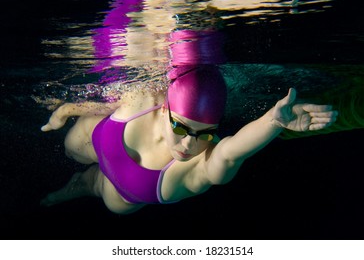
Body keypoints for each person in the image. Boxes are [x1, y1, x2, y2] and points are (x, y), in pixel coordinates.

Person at [40, 65, 338, 214]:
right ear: (166, 108)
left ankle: (80, 185)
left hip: (121, 192)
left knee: (97, 187)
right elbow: (106, 102)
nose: (188, 146)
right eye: (181, 128)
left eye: (204, 134)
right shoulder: (146, 95)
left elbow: (230, 153)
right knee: (72, 148)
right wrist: (65, 111)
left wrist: (273, 122)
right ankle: (82, 168)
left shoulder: (197, 167)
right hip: (98, 140)